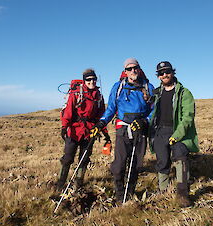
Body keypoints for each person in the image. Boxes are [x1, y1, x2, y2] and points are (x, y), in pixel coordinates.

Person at [91, 58, 154, 203]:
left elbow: (154, 109)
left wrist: (145, 121)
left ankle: (129, 193)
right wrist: (101, 123)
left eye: (135, 68)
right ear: (125, 71)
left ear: (139, 68)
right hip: (123, 129)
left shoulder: (148, 87)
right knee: (119, 165)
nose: (133, 71)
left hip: (141, 130)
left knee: (135, 165)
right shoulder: (118, 87)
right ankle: (120, 194)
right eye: (129, 69)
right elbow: (111, 108)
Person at [149, 61, 199, 207]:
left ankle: (183, 194)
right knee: (162, 161)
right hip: (160, 131)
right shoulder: (156, 93)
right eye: (161, 73)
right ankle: (163, 191)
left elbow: (188, 116)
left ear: (173, 72)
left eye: (167, 72)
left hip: (178, 131)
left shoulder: (184, 93)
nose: (164, 75)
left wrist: (177, 135)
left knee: (180, 158)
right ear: (158, 76)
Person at [56, 69, 110, 191]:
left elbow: (101, 116)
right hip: (74, 130)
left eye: (94, 79)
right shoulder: (76, 93)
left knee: (84, 158)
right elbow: (69, 110)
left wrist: (104, 132)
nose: (92, 82)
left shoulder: (98, 96)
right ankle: (60, 184)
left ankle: (78, 183)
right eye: (89, 79)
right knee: (68, 158)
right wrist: (64, 127)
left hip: (90, 131)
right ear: (84, 80)